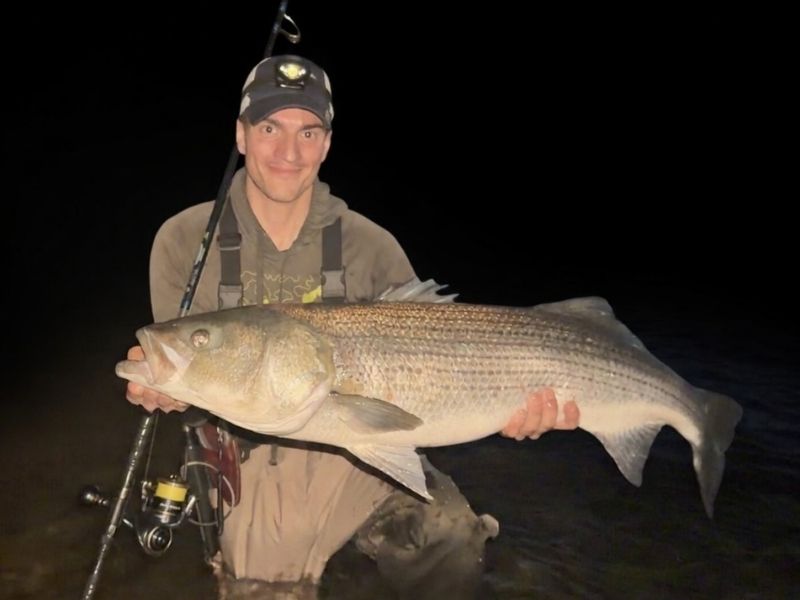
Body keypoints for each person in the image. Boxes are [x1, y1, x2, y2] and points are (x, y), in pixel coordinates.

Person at [125, 54, 580, 599]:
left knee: (450, 538)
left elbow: (428, 378)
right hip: (248, 450)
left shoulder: (372, 246)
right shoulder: (183, 240)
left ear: (326, 143)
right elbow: (197, 384)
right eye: (269, 128)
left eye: (308, 132)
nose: (288, 152)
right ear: (241, 135)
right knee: (265, 587)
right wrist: (174, 390)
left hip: (364, 443)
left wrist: (513, 406)